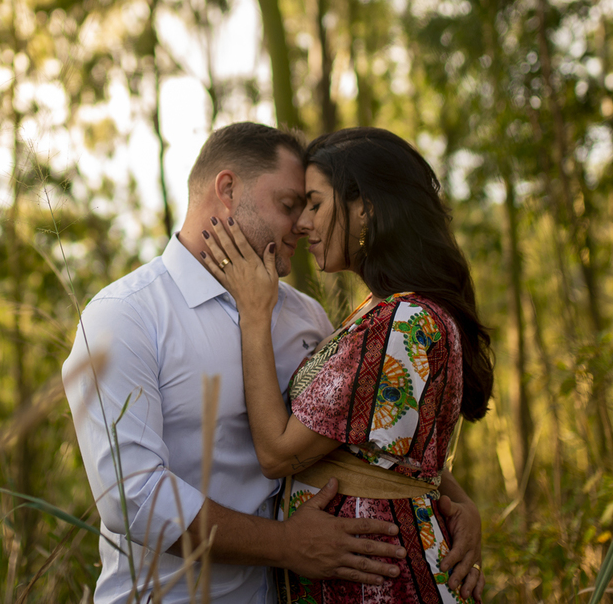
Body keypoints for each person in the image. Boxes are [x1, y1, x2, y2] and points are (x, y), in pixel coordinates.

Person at [63, 123, 483, 604]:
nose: (301, 224)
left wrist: (452, 498)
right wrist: (286, 545)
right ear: (227, 191)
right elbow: (131, 498)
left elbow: (356, 434)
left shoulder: (306, 315)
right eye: (289, 204)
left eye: (311, 205)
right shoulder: (125, 316)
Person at [200, 127, 494, 603]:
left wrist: (254, 314)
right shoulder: (380, 315)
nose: (301, 223)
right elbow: (384, 452)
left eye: (315, 205)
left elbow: (277, 455)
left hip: (387, 584)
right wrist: (459, 501)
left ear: (366, 209)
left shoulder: (401, 321)